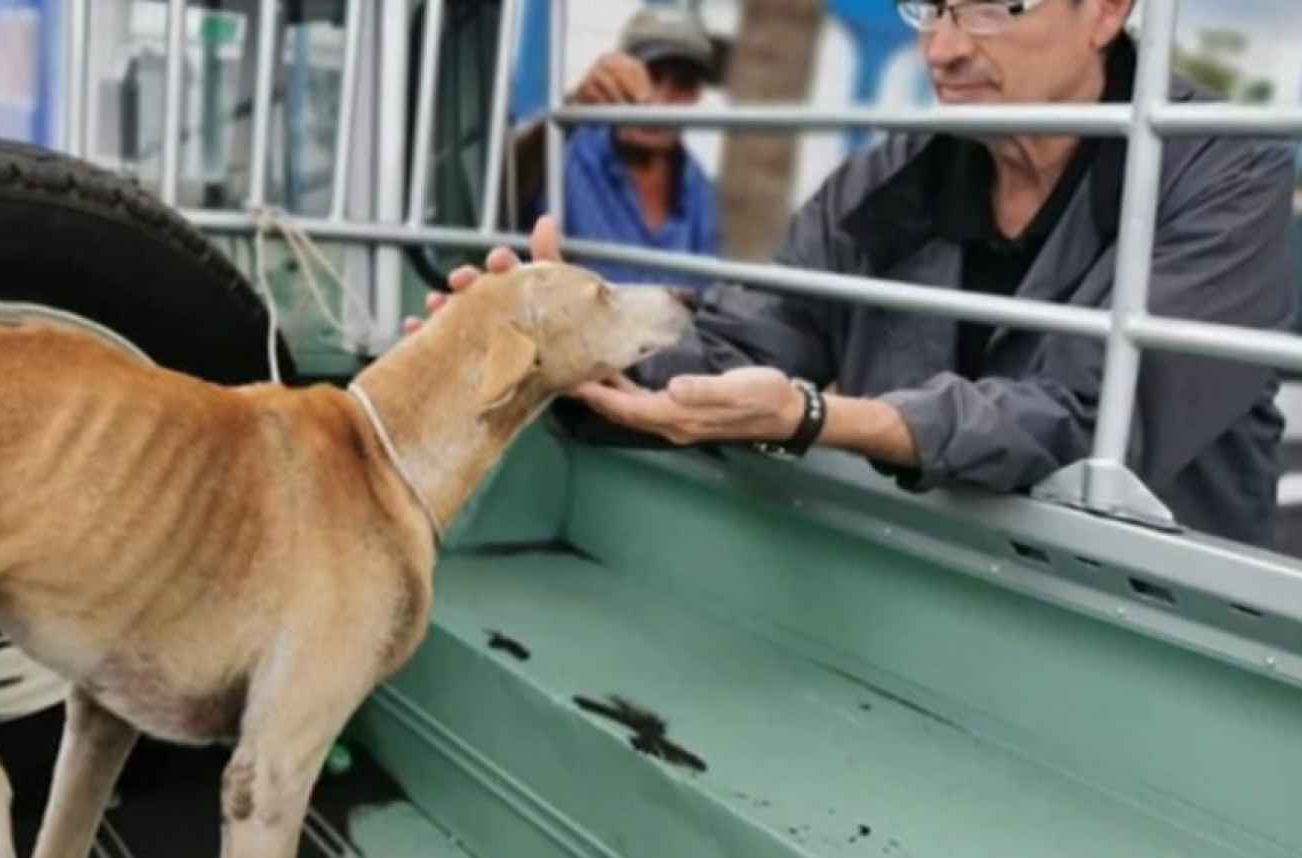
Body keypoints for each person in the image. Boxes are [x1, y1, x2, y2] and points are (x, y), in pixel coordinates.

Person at [417, 0, 1296, 546]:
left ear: (1106, 10)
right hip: (903, 581)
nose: (943, 51)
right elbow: (743, 337)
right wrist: (565, 349)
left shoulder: (1226, 168)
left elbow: (1097, 425)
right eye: (932, 8)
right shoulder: (893, 176)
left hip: (1156, 635)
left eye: (990, 6)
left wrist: (829, 418)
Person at [511, 6, 721, 286]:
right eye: (650, 74)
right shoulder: (568, 153)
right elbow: (505, 185)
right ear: (619, 72)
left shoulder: (699, 190)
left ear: (696, 95)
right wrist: (572, 110)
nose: (658, 99)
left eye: (683, 83)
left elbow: (707, 293)